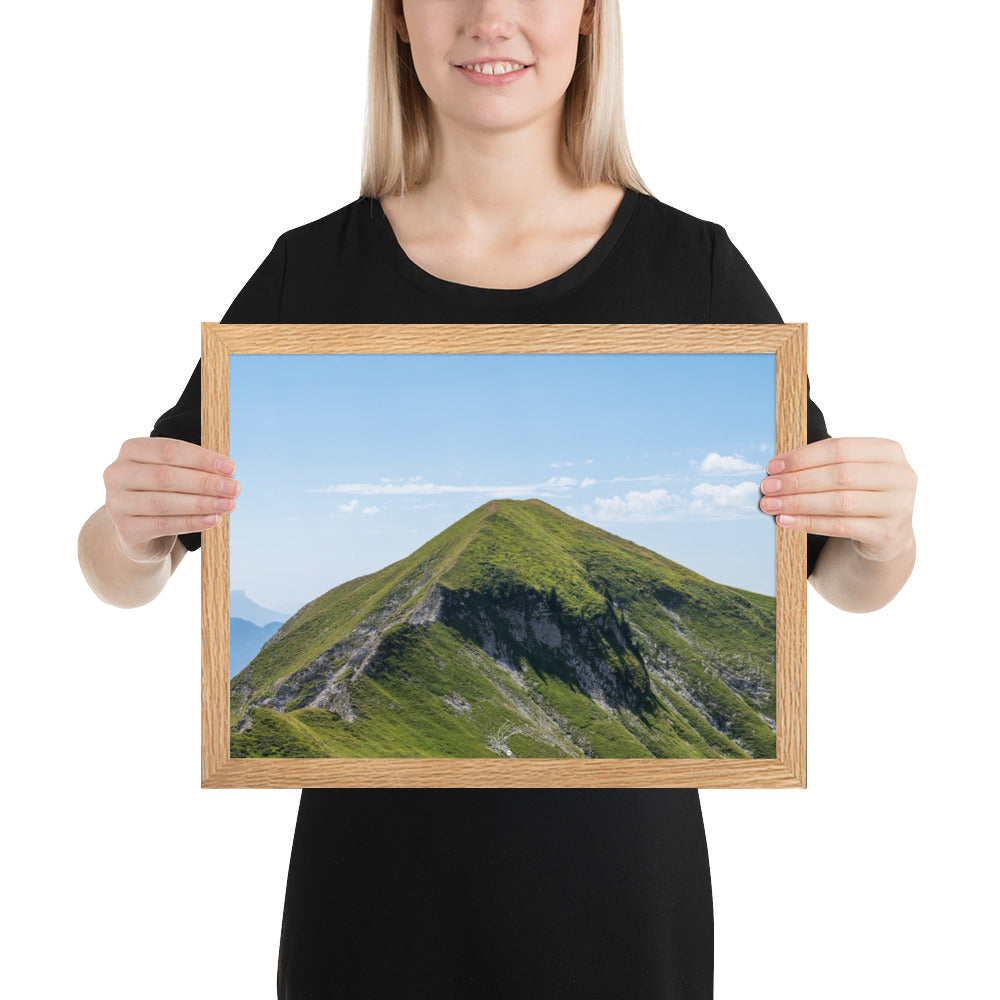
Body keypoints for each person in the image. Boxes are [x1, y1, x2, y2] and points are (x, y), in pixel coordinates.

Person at [78, 1, 917, 996]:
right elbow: (122, 568)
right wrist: (130, 530)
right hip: (370, 895)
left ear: (591, 18)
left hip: (618, 895)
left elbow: (846, 577)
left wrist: (884, 531)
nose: (491, 18)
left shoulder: (691, 268)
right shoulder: (311, 271)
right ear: (396, 19)